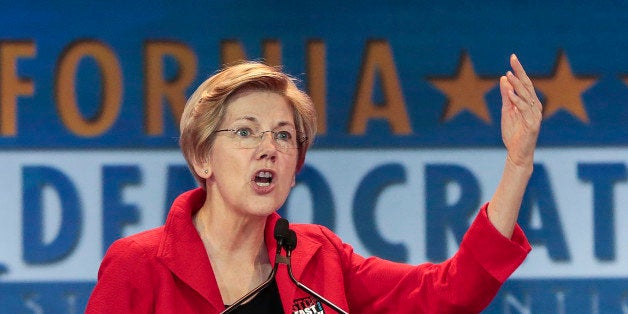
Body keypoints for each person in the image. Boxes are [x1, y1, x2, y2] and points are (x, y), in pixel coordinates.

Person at [86, 54, 540, 313]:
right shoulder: (139, 265)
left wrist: (517, 163)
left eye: (284, 135)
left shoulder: (316, 257)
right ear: (203, 156)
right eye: (245, 132)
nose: (269, 148)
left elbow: (452, 292)